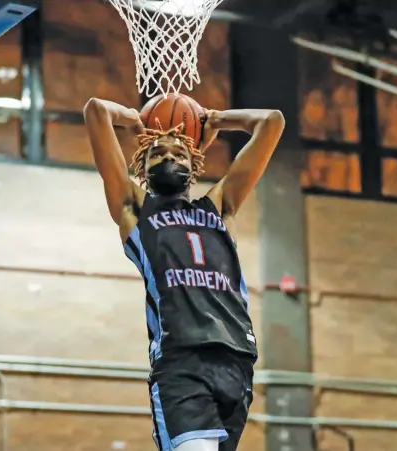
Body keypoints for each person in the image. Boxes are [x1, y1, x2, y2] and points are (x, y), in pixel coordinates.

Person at [84, 98, 285, 451]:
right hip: (181, 361)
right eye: (157, 153)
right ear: (143, 169)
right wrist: (132, 121)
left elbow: (272, 121)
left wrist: (217, 120)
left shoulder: (220, 207)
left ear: (194, 166)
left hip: (236, 361)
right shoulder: (136, 210)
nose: (168, 157)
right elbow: (96, 112)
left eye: (178, 153)